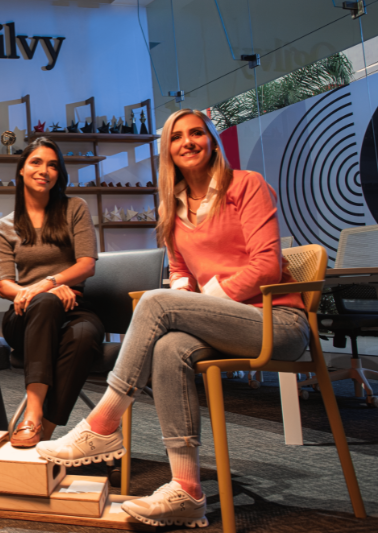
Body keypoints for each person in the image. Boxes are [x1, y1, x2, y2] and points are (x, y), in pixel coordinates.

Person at [36, 109, 309, 528]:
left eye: (196, 133)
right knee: (169, 347)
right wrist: (186, 296)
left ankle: (103, 424)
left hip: (278, 322)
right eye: (177, 137)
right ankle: (187, 489)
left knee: (157, 303)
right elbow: (181, 272)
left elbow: (267, 266)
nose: (188, 142)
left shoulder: (247, 185)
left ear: (212, 140)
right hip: (224, 325)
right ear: (168, 150)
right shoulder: (172, 206)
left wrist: (199, 300)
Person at [0, 137, 102, 447]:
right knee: (44, 303)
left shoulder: (75, 208)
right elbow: (4, 284)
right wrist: (39, 292)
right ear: (21, 170)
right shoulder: (5, 226)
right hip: (24, 314)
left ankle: (45, 433)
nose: (44, 170)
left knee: (85, 337)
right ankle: (33, 412)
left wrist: (50, 283)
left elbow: (87, 265)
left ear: (59, 173)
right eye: (36, 162)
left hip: (74, 307)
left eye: (53, 165)